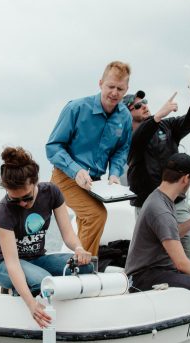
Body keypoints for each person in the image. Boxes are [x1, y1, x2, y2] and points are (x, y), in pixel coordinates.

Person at [0, 146, 93, 327]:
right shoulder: (4, 209)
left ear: (35, 183)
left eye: (27, 197)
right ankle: (18, 290)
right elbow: (12, 263)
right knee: (42, 281)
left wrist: (78, 249)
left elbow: (68, 235)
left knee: (85, 268)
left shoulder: (51, 192)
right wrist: (30, 304)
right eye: (15, 199)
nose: (22, 203)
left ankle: (37, 291)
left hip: (37, 258)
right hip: (4, 265)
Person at [46, 61, 133, 256]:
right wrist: (75, 170)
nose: (114, 93)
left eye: (120, 89)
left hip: (94, 183)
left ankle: (77, 272)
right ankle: (83, 269)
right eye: (111, 86)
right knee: (96, 215)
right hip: (65, 177)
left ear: (126, 89)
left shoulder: (125, 116)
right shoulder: (75, 108)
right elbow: (53, 147)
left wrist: (115, 174)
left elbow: (121, 149)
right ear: (100, 83)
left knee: (87, 219)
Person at [124, 153, 190, 308]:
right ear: (186, 178)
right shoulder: (161, 209)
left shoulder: (161, 198)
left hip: (162, 271)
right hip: (142, 276)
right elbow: (181, 263)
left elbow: (170, 234)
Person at [125, 78, 190, 264]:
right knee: (156, 257)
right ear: (125, 112)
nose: (145, 106)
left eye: (145, 103)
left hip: (176, 202)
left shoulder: (167, 126)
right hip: (147, 204)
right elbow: (138, 141)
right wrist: (156, 117)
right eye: (137, 106)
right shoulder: (125, 137)